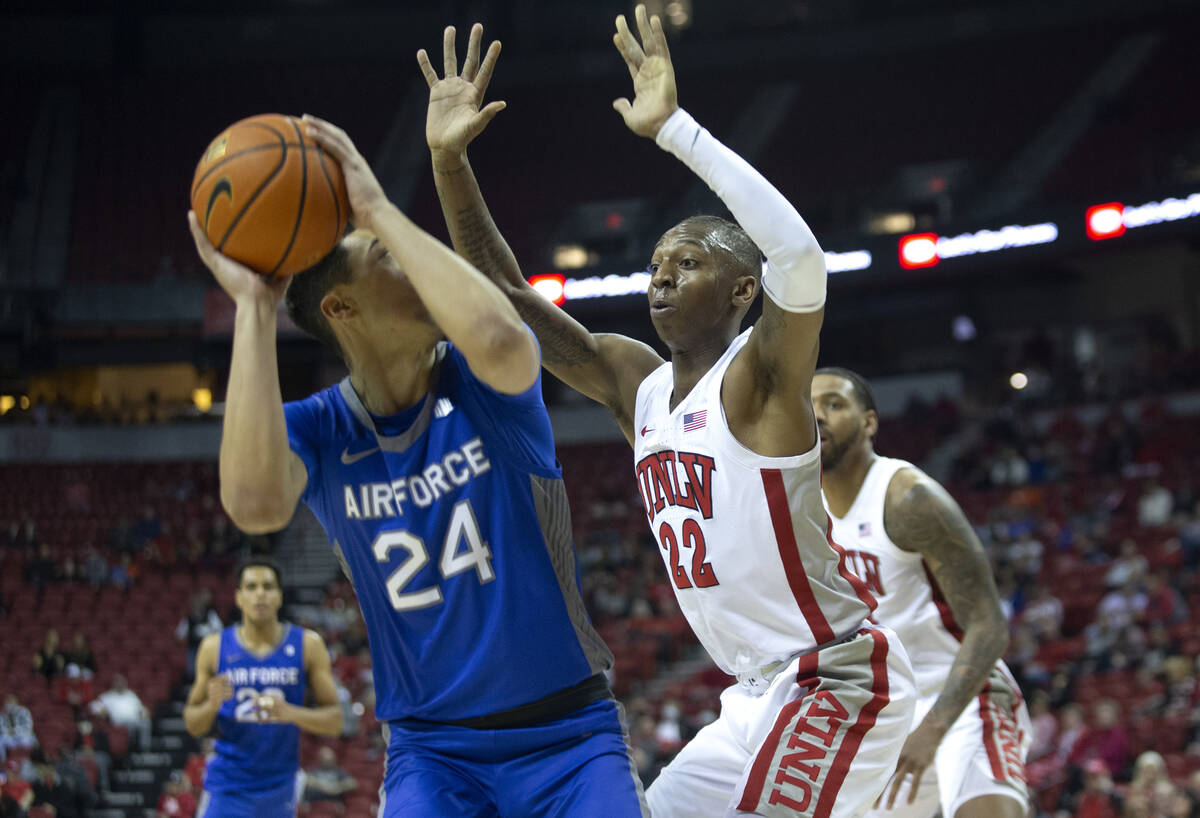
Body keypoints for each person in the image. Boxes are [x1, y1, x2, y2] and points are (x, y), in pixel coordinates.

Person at [424, 10, 916, 816]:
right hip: (750, 698)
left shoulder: (759, 377)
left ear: (742, 292)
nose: (660, 278)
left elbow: (799, 257)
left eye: (688, 264)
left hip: (833, 678)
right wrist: (449, 163)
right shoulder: (635, 382)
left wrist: (675, 130)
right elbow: (508, 302)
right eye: (655, 265)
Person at [186, 104, 647, 815]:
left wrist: (376, 210)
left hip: (569, 738)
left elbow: (500, 331)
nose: (419, 265)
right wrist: (253, 307)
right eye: (389, 259)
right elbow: (253, 504)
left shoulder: (484, 380)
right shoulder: (316, 429)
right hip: (433, 755)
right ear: (341, 309)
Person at [813, 368, 1031, 818]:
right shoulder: (804, 515)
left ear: (870, 422)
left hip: (964, 697)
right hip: (885, 716)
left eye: (833, 404)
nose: (817, 416)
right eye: (808, 406)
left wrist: (932, 730)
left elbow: (989, 625)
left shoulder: (908, 498)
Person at [183, 557, 341, 818]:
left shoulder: (307, 645)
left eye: (268, 587)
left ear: (279, 596)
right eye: (251, 586)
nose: (260, 594)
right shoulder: (214, 647)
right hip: (227, 787)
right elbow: (192, 724)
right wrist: (212, 705)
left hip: (279, 786)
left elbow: (335, 722)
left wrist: (289, 713)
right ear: (238, 597)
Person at [90, 674, 152, 751]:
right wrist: (102, 711)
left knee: (146, 723)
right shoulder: (108, 696)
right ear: (114, 684)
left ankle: (144, 748)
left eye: (121, 682)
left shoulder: (130, 695)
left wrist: (144, 712)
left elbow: (140, 708)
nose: (120, 684)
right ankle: (131, 749)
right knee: (130, 729)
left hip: (133, 720)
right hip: (118, 722)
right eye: (117, 682)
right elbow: (93, 706)